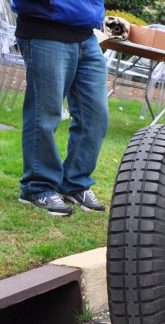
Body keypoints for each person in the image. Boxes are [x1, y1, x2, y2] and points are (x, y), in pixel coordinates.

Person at [12, 0, 108, 216]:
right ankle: (37, 187)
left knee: (96, 117)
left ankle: (75, 183)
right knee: (44, 114)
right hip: (45, 28)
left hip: (86, 35)